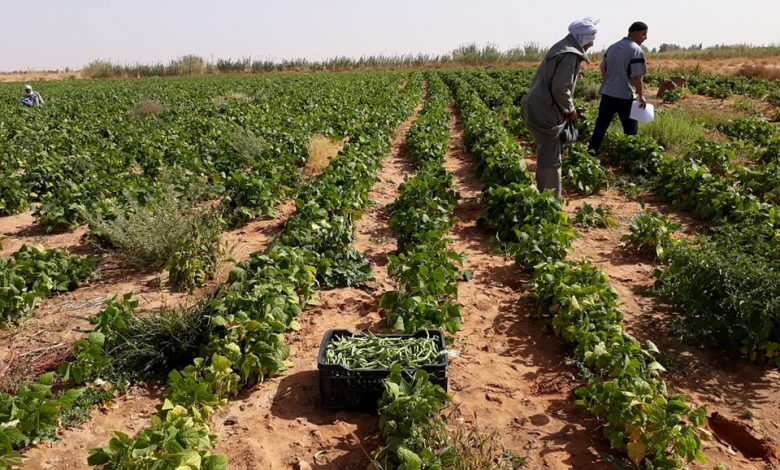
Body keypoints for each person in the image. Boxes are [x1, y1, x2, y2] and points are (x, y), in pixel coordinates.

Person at [522, 17, 598, 197]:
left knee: (547, 150)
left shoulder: (561, 47)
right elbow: (560, 88)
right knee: (550, 153)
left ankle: (546, 195)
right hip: (545, 108)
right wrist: (570, 110)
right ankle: (548, 201)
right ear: (582, 37)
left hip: (537, 104)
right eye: (591, 38)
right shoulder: (570, 53)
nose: (592, 43)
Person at [588, 21, 649, 154]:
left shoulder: (612, 47)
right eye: (644, 34)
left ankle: (591, 153)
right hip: (625, 96)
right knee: (631, 130)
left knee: (600, 126)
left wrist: (609, 83)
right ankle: (630, 158)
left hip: (608, 94)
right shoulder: (636, 49)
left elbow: (603, 69)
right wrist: (641, 96)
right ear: (636, 32)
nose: (645, 37)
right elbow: (637, 76)